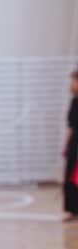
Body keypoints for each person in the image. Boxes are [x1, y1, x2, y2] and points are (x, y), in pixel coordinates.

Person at [63, 69, 78, 222]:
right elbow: (71, 126)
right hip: (75, 142)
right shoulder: (74, 100)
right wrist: (66, 145)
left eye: (74, 80)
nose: (72, 84)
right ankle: (73, 209)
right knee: (71, 176)